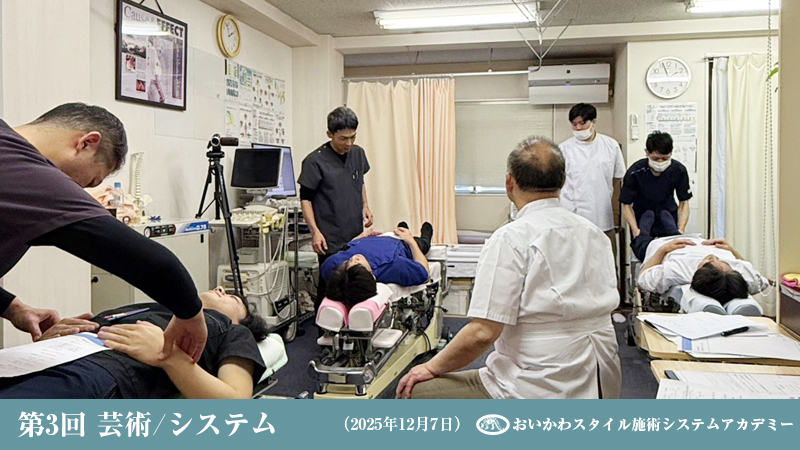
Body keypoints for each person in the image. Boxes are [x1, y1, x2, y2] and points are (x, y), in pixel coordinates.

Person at [396, 136, 621, 400]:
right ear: (563, 181)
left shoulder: (512, 238)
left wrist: (429, 367)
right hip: (601, 379)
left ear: (509, 182)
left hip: (537, 386)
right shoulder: (595, 234)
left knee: (414, 391)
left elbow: (482, 334)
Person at [0, 103, 207, 363]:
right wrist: (192, 315)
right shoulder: (27, 172)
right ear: (86, 143)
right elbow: (150, 261)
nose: (80, 190)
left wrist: (11, 307)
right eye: (91, 181)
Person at [0, 287, 269, 399]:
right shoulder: (153, 307)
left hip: (99, 370)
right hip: (38, 358)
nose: (220, 288)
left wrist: (168, 357)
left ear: (239, 320)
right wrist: (60, 333)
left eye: (233, 298)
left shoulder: (231, 331)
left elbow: (235, 403)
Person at [298, 106, 373, 311]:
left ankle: (352, 322)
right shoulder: (314, 161)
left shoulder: (358, 153)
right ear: (329, 134)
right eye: (343, 138)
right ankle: (324, 326)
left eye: (353, 137)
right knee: (330, 285)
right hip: (329, 235)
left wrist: (365, 206)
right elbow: (305, 199)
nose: (349, 143)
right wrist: (315, 231)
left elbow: (360, 181)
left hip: (354, 232)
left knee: (355, 283)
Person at [559, 103, 626, 252]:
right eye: (574, 124)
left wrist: (616, 214)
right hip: (572, 214)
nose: (578, 128)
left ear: (593, 122)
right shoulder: (563, 149)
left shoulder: (611, 146)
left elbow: (618, 179)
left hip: (602, 214)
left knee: (606, 257)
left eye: (582, 123)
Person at [322, 222, 433, 308]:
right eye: (358, 264)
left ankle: (402, 227)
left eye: (348, 262)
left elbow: (345, 249)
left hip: (371, 238)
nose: (355, 257)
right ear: (371, 275)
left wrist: (360, 237)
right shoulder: (393, 265)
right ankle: (422, 235)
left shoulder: (331, 265)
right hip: (401, 243)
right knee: (423, 245)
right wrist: (410, 240)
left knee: (401, 228)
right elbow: (424, 273)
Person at [621, 131, 692, 261]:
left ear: (671, 153)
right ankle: (643, 238)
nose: (660, 162)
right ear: (647, 152)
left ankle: (673, 233)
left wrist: (681, 229)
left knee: (673, 252)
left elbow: (684, 203)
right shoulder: (635, 172)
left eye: (664, 158)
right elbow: (626, 205)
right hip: (642, 216)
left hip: (668, 214)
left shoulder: (678, 170)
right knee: (645, 250)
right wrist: (636, 231)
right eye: (655, 159)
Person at [636, 235, 769, 303]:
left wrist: (663, 250)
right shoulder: (746, 276)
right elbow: (763, 282)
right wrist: (732, 250)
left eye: (711, 261)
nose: (714, 257)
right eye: (722, 262)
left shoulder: (675, 271)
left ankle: (644, 232)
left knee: (641, 240)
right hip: (699, 239)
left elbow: (641, 279)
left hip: (664, 243)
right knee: (669, 223)